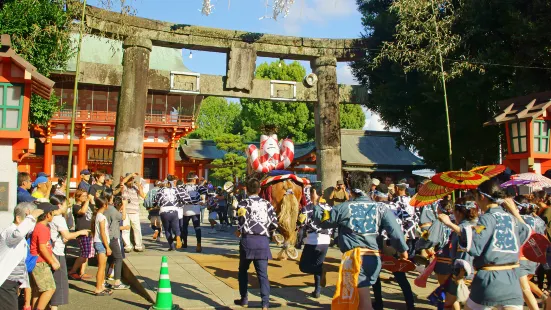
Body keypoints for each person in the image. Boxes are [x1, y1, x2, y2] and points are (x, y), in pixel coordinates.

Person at [438, 179, 531, 310]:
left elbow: (474, 241)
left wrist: (449, 224)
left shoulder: (486, 219)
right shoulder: (510, 218)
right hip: (512, 280)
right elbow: (525, 231)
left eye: (476, 198)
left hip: (490, 280)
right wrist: (514, 211)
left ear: (482, 197)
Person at [313, 185, 408, 310]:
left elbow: (323, 221)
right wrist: (403, 251)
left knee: (363, 301)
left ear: (351, 190)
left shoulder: (344, 207)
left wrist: (316, 203)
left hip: (355, 259)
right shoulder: (380, 208)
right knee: (359, 298)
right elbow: (395, 231)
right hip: (373, 257)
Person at [234, 178, 278, 310]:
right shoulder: (267, 204)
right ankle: (265, 303)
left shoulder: (243, 203)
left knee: (243, 270)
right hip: (263, 241)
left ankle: (244, 299)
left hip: (248, 240)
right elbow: (274, 223)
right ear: (259, 190)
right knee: (262, 274)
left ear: (247, 189)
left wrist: (239, 230)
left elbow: (240, 221)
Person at [371, 184, 415, 310]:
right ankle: (410, 304)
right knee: (400, 276)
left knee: (375, 275)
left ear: (376, 195)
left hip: (380, 243)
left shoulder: (375, 207)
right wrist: (403, 238)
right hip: (395, 243)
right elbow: (410, 221)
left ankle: (379, 304)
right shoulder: (396, 206)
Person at [48, 195, 89, 309]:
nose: (67, 206)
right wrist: (80, 232)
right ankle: (53, 307)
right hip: (57, 252)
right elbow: (67, 235)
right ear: (59, 205)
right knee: (59, 282)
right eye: (65, 204)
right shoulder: (59, 218)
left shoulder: (50, 216)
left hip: (51, 249)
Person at [0, 202, 43, 310]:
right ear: (19, 219)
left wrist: (21, 283)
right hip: (5, 283)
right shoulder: (10, 232)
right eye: (31, 220)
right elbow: (18, 233)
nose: (33, 224)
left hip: (12, 283)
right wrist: (31, 217)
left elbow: (19, 263)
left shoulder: (20, 237)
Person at [438, 197, 478, 310]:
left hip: (464, 272)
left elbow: (464, 254)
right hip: (479, 271)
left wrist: (460, 275)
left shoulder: (462, 229)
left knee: (449, 304)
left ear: (459, 212)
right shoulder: (480, 226)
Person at [298, 186, 331, 298]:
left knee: (303, 267)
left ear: (313, 194)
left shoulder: (307, 208)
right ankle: (317, 291)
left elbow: (301, 224)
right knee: (317, 264)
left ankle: (320, 272)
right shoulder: (328, 208)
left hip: (312, 240)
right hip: (326, 241)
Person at [30, 202, 60, 310]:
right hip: (40, 263)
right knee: (49, 289)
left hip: (36, 262)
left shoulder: (38, 227)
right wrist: (52, 261)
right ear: (48, 215)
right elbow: (42, 247)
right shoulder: (43, 228)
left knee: (38, 290)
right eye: (52, 213)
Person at [103, 191, 129, 290]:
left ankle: (104, 279)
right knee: (118, 258)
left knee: (109, 259)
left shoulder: (105, 209)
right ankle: (117, 281)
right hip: (113, 237)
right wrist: (125, 206)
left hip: (106, 236)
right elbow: (123, 217)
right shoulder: (113, 210)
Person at [68, 189, 95, 280]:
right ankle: (73, 271)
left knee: (87, 254)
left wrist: (91, 201)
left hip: (90, 231)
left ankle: (82, 272)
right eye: (83, 196)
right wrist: (87, 201)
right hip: (82, 232)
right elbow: (82, 212)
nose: (85, 197)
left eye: (86, 195)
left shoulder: (88, 205)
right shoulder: (76, 206)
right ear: (78, 197)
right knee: (84, 253)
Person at [179, 175, 208, 252]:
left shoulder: (183, 187)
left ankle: (184, 243)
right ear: (194, 180)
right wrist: (202, 202)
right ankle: (198, 244)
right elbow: (204, 196)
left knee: (184, 227)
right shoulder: (198, 187)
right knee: (197, 227)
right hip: (196, 209)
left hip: (185, 209)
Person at [92, 196, 113, 296]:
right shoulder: (102, 217)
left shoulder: (97, 215)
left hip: (98, 242)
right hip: (101, 243)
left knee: (102, 266)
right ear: (104, 205)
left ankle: (101, 285)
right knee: (101, 267)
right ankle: (98, 288)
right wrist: (107, 247)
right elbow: (103, 233)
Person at [155, 177, 183, 251]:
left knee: (167, 230)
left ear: (166, 183)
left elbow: (156, 200)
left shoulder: (160, 190)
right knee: (176, 227)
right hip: (174, 210)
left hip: (164, 211)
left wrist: (156, 205)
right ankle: (177, 236)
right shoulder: (175, 190)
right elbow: (181, 199)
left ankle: (171, 246)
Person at [120, 173, 145, 252]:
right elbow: (123, 182)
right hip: (125, 210)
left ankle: (138, 245)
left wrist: (139, 186)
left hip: (135, 211)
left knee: (137, 228)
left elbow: (142, 195)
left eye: (132, 179)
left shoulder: (134, 187)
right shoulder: (124, 187)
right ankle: (127, 245)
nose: (131, 181)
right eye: (130, 179)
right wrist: (131, 175)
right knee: (126, 228)